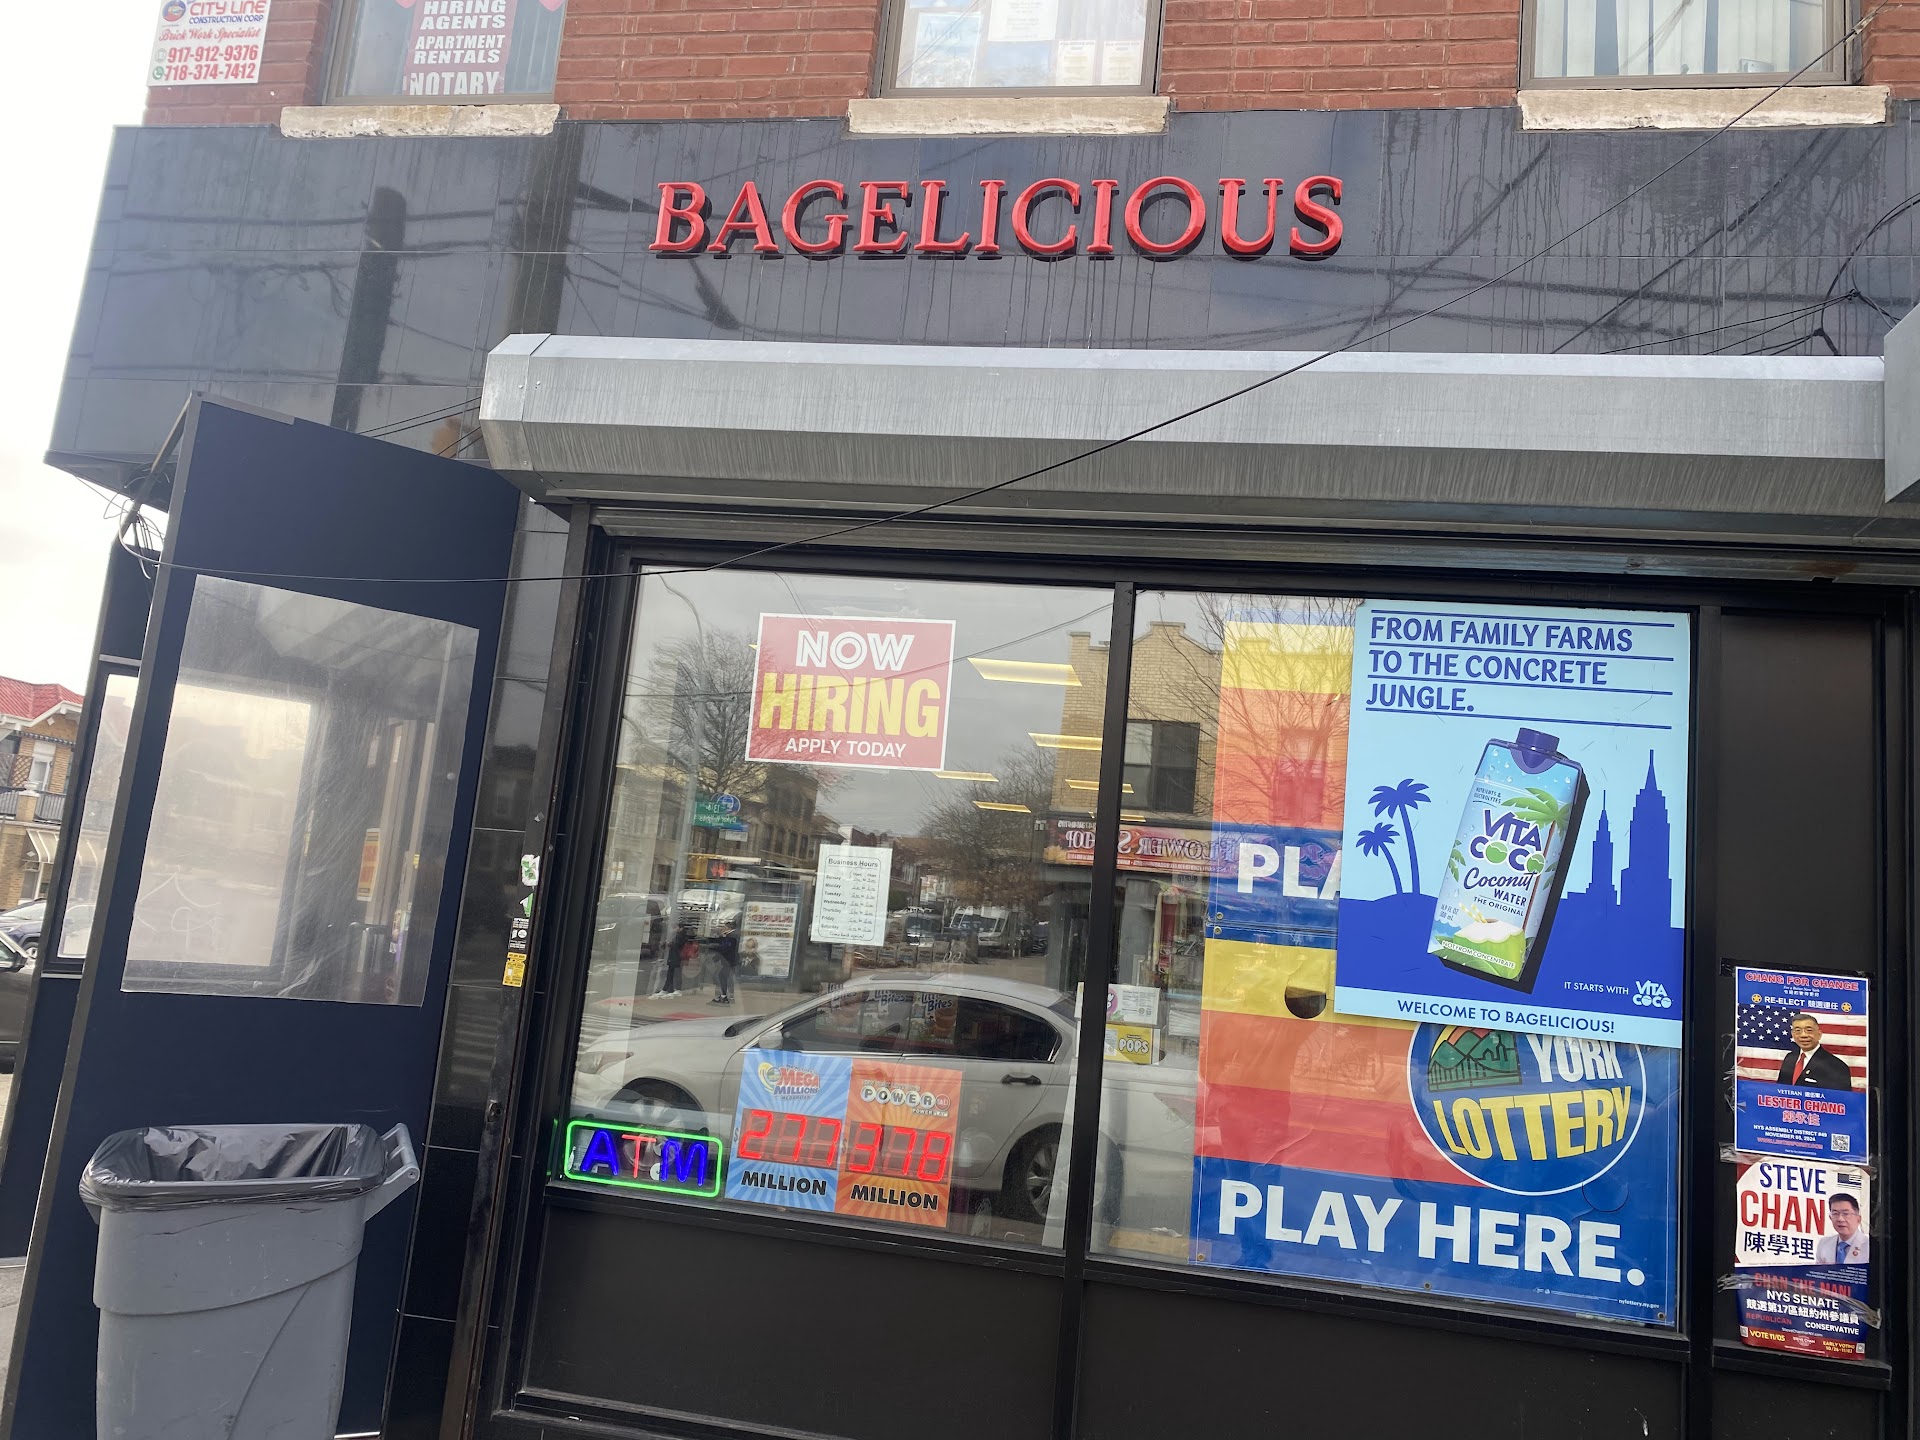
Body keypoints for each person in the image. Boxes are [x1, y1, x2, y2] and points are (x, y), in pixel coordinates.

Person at [1776, 1012, 1854, 1091]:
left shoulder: (1837, 1066)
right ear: (1793, 1034)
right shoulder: (1790, 1058)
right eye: (1798, 1031)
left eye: (1809, 1030)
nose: (1803, 1035)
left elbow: (1841, 1097)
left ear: (1819, 1034)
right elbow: (1779, 1090)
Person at [1816, 1193, 1870, 1265]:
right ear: (1830, 1218)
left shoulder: (1869, 1246)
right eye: (1835, 1213)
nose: (1840, 1219)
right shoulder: (1823, 1243)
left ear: (1858, 1219)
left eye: (1846, 1214)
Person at [660, 922, 695, 998]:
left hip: (677, 957)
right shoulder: (678, 935)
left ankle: (675, 989)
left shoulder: (680, 936)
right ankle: (667, 989)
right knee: (671, 973)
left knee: (675, 973)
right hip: (675, 957)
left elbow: (677, 945)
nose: (673, 929)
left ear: (680, 928)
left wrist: (669, 944)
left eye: (675, 927)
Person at [710, 921, 739, 1005]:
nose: (722, 929)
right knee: (723, 976)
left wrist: (714, 949)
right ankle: (724, 995)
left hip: (728, 961)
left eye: (724, 927)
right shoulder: (732, 935)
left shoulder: (731, 936)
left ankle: (724, 996)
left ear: (728, 928)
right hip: (728, 961)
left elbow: (725, 949)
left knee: (723, 977)